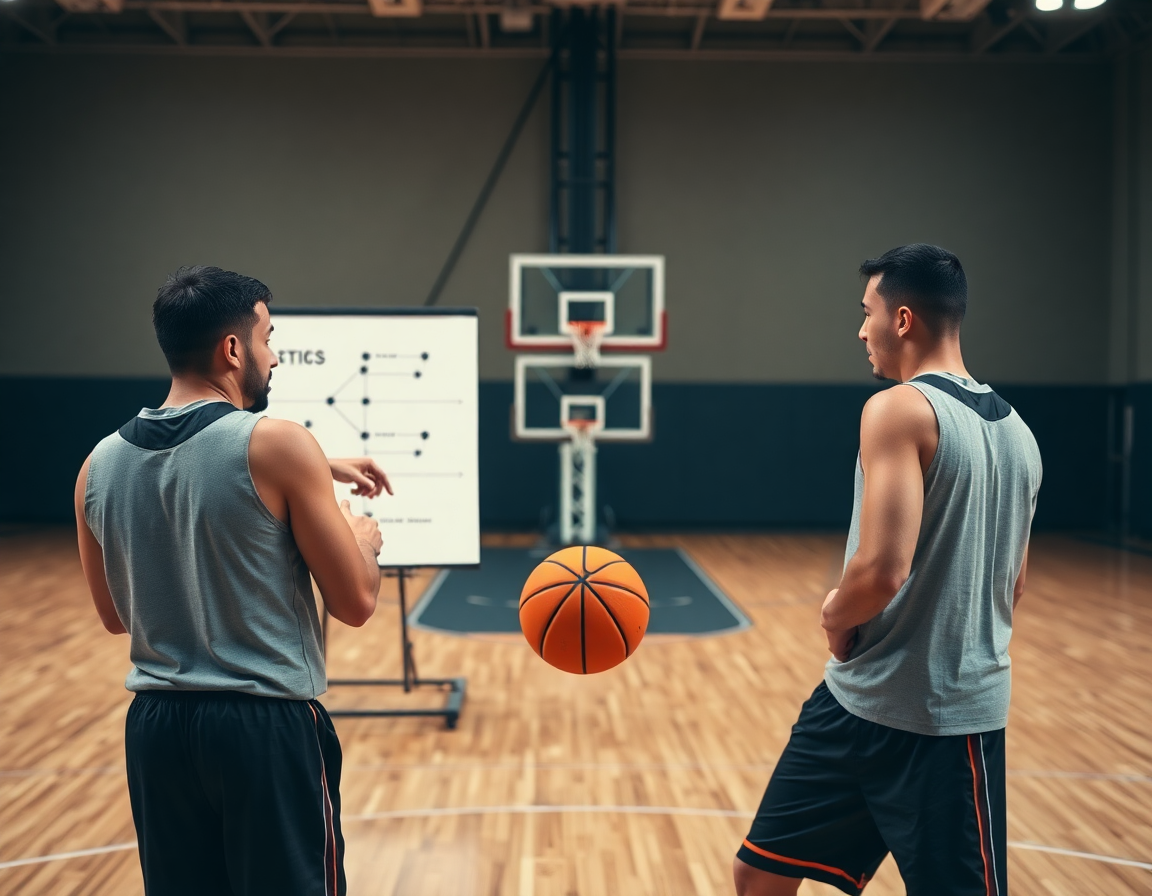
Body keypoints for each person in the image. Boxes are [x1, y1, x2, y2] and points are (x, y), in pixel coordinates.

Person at [733, 245, 1042, 896]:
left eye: (866, 312)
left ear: (902, 320)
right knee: (761, 869)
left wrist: (833, 614)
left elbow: (880, 571)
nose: (860, 330)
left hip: (942, 727)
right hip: (856, 704)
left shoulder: (897, 409)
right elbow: (1013, 585)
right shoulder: (1020, 435)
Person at [74, 266, 391, 896]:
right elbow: (355, 602)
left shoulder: (96, 466)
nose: (272, 358)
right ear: (232, 348)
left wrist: (309, 464)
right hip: (264, 730)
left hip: (157, 730)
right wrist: (361, 541)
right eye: (268, 339)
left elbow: (115, 615)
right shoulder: (280, 445)